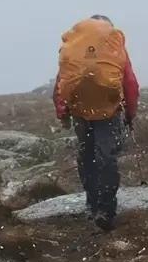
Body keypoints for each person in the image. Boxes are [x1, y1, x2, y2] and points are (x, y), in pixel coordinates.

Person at [52, 14, 140, 231]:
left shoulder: (76, 50)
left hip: (81, 112)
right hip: (109, 112)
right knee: (107, 157)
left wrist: (63, 112)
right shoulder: (114, 49)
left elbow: (62, 83)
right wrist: (130, 113)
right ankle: (106, 209)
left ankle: (92, 204)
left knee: (87, 156)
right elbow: (130, 82)